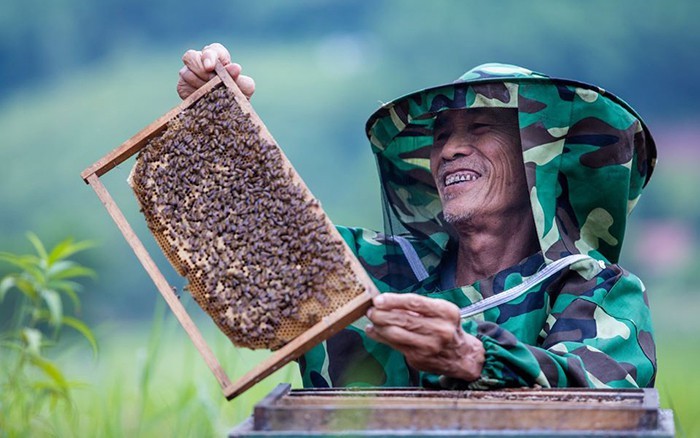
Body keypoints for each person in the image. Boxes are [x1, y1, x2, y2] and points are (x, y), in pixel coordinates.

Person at [178, 43, 657, 389]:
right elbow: (242, 244)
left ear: (538, 156)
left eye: (481, 127)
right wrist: (212, 121)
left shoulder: (596, 290)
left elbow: (595, 386)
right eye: (441, 135)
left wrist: (472, 354)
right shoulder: (369, 269)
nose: (449, 150)